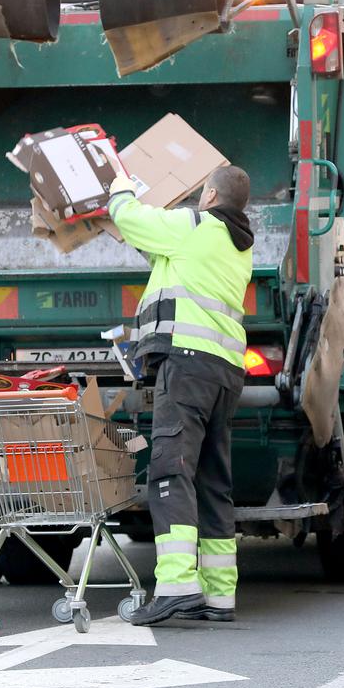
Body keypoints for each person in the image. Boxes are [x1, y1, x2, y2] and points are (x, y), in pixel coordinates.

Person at [106, 165, 255, 626]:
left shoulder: (194, 225)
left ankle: (175, 585)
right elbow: (165, 259)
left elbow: (131, 219)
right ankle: (218, 594)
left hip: (187, 367)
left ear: (209, 194)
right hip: (223, 371)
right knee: (211, 480)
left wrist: (120, 192)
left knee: (171, 471)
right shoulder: (235, 244)